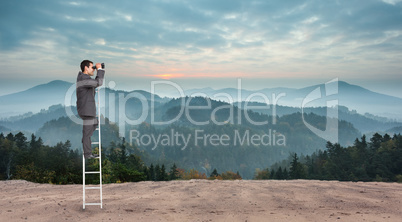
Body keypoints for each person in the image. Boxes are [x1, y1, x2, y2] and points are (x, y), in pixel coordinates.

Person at [76, 60, 105, 159]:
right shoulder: (83, 79)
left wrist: (97, 71)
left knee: (94, 123)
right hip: (86, 110)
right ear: (86, 68)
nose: (93, 69)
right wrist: (99, 69)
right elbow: (99, 82)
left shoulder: (84, 78)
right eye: (92, 67)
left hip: (88, 110)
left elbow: (95, 83)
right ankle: (87, 154)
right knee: (87, 133)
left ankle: (85, 140)